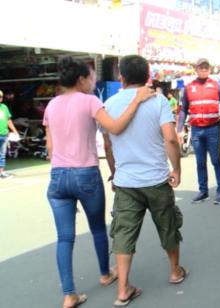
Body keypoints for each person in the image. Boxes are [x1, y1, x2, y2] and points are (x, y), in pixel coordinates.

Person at [43, 56, 155, 308]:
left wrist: (64, 172)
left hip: (58, 176)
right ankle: (105, 274)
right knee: (97, 228)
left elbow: (50, 147)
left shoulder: (51, 105)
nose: (93, 81)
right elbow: (114, 128)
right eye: (91, 77)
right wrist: (136, 101)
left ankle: (69, 294)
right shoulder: (90, 101)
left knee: (64, 238)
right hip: (86, 174)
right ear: (81, 79)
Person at [102, 55, 186, 307]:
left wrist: (115, 171)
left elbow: (107, 144)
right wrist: (177, 169)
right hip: (156, 178)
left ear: (122, 78)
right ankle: (174, 271)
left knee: (123, 232)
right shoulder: (158, 100)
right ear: (147, 76)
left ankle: (122, 289)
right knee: (167, 224)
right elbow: (170, 138)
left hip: (126, 182)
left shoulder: (109, 103)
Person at [177, 58, 220, 204]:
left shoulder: (216, 86)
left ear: (210, 69)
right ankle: (203, 191)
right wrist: (179, 129)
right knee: (200, 162)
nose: (204, 69)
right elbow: (183, 110)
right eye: (201, 67)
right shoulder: (189, 87)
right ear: (196, 68)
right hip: (196, 130)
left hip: (213, 129)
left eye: (206, 67)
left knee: (216, 160)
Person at [0, 90, 18, 178]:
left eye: (1, 97)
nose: (0, 98)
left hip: (4, 134)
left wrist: (14, 130)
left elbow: (8, 120)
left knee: (2, 154)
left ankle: (1, 172)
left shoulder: (4, 107)